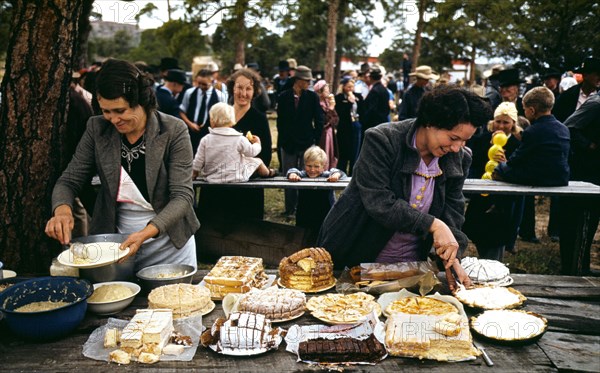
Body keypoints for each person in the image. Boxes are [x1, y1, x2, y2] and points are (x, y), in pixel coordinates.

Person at [318, 86, 492, 290]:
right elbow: (379, 202)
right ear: (429, 122)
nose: (456, 147)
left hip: (411, 266)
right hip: (357, 252)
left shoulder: (459, 158)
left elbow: (452, 211)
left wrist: (452, 255)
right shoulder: (382, 140)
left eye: (465, 140)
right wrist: (434, 224)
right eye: (453, 138)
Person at [46, 59, 199, 271]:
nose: (113, 119)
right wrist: (62, 210)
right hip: (116, 245)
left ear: (142, 101)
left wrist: (145, 233)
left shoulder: (173, 130)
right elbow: (70, 179)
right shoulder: (96, 128)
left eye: (120, 111)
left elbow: (182, 196)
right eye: (106, 111)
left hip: (169, 242)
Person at [463, 102, 524, 261]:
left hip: (503, 202)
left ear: (513, 124)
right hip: (481, 196)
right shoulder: (481, 139)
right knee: (477, 233)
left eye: (506, 122)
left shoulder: (518, 144)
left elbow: (519, 171)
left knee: (495, 242)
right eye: (498, 121)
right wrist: (487, 149)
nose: (501, 126)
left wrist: (506, 164)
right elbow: (473, 164)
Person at [493, 86, 570, 187]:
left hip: (539, 178)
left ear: (532, 111)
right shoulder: (564, 128)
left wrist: (503, 164)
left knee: (499, 170)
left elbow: (514, 161)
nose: (524, 113)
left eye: (525, 109)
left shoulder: (532, 131)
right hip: (561, 177)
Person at [277, 65, 324, 216]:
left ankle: (305, 208)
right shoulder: (283, 97)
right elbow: (280, 122)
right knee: (289, 177)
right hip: (288, 144)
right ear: (298, 80)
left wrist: (314, 140)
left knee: (308, 175)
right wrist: (283, 140)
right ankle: (290, 209)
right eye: (306, 80)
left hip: (306, 142)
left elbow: (319, 120)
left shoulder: (312, 97)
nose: (309, 83)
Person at [560, 94, 600, 274]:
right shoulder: (596, 104)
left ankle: (579, 268)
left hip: (591, 175)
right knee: (581, 224)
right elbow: (568, 127)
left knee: (587, 224)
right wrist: (590, 146)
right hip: (586, 175)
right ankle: (575, 271)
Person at [192, 103, 274, 183]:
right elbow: (251, 152)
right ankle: (267, 173)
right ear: (232, 121)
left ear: (212, 121)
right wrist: (257, 144)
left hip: (213, 177)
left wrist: (194, 172)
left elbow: (199, 160)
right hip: (235, 176)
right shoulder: (239, 138)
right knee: (257, 161)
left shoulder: (206, 140)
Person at [287, 146, 346, 243]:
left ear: (323, 166)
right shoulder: (302, 175)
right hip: (305, 212)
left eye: (316, 166)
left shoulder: (327, 175)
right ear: (304, 164)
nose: (312, 170)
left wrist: (336, 175)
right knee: (304, 236)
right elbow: (292, 170)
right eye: (309, 166)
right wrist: (292, 174)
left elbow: (340, 172)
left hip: (324, 212)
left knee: (323, 235)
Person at [179, 69, 227, 155]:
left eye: (204, 84)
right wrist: (190, 124)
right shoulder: (189, 93)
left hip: (210, 134)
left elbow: (223, 117)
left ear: (212, 81)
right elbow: (182, 111)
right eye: (199, 83)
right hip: (191, 132)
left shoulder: (220, 96)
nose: (201, 86)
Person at [335, 77, 363, 175]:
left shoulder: (358, 96)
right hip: (344, 127)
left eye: (352, 86)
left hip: (356, 124)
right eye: (348, 87)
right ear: (343, 87)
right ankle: (340, 173)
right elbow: (340, 112)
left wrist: (356, 101)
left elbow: (363, 110)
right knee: (343, 152)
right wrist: (349, 103)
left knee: (355, 152)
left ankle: (352, 174)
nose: (350, 89)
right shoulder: (339, 97)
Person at [313, 80, 339, 169]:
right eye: (326, 91)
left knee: (331, 153)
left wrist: (331, 109)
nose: (328, 93)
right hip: (322, 134)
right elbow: (323, 121)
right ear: (320, 92)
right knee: (323, 153)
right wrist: (331, 109)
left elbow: (336, 118)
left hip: (330, 133)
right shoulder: (317, 105)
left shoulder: (327, 102)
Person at [360, 67, 390, 134]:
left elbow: (371, 109)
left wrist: (364, 120)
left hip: (373, 124)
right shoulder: (384, 90)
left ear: (371, 78)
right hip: (382, 122)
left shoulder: (374, 91)